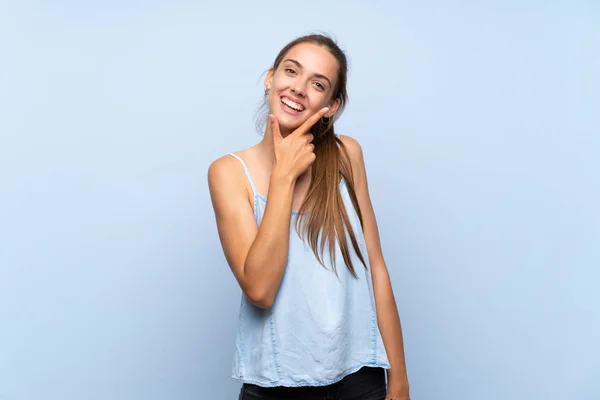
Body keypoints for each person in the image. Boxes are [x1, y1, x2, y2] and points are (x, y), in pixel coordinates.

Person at [208, 33, 411, 400]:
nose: (299, 89)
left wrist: (398, 381)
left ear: (330, 106)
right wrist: (283, 177)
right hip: (276, 385)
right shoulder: (229, 172)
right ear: (271, 77)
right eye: (291, 71)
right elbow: (260, 290)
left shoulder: (346, 155)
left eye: (317, 84)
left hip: (359, 379)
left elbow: (376, 269)